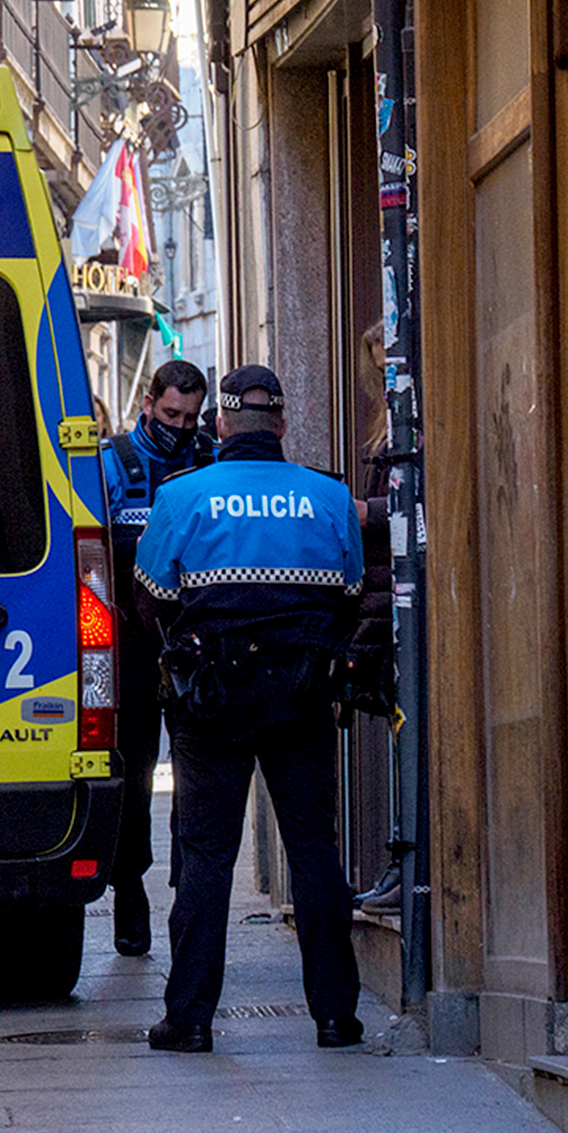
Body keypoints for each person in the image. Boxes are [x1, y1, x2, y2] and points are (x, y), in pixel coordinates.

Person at [134, 364, 365, 1053]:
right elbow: (350, 596)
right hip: (300, 698)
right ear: (283, 426)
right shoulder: (329, 498)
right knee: (314, 851)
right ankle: (334, 1017)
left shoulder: (182, 497)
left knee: (207, 857)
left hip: (212, 703)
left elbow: (151, 600)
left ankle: (191, 1019)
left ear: (222, 425)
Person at [101, 359, 208, 956]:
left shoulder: (211, 460)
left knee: (197, 775)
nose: (181, 426)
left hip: (194, 639)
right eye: (171, 414)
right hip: (133, 643)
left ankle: (189, 887)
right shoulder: (113, 462)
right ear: (149, 403)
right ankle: (129, 888)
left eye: (191, 417)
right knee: (136, 772)